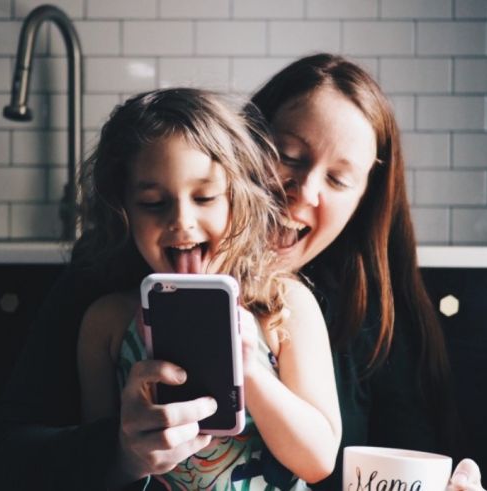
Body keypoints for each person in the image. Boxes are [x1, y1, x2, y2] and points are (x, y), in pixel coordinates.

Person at [0, 53, 485, 491]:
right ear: (241, 156)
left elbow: (393, 457)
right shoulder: (107, 296)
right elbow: (10, 457)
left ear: (364, 199)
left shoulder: (333, 309)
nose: (303, 193)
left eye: (337, 179)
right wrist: (117, 453)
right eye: (287, 157)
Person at [74, 87, 341, 489]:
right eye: (153, 202)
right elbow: (94, 473)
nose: (182, 221)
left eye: (205, 197)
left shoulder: (286, 307)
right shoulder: (106, 325)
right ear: (124, 210)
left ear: (240, 200)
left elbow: (319, 461)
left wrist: (251, 370)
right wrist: (128, 457)